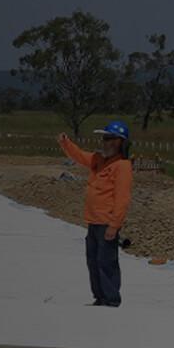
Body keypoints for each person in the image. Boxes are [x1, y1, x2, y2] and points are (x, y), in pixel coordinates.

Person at [58, 121, 134, 307]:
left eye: (109, 139)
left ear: (119, 142)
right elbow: (79, 156)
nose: (104, 142)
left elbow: (122, 199)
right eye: (104, 138)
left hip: (107, 223)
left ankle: (111, 300)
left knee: (106, 262)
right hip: (93, 222)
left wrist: (114, 226)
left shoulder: (122, 166)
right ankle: (99, 298)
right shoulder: (99, 160)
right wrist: (66, 143)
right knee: (93, 261)